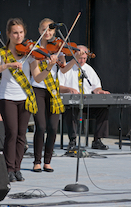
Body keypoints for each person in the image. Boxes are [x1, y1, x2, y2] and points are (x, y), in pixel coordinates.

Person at [0, 18, 57, 182]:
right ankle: (9, 169)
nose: (19, 36)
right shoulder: (3, 54)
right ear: (9, 34)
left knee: (21, 135)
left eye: (21, 32)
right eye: (15, 33)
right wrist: (8, 65)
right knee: (11, 133)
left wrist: (49, 67)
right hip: (7, 97)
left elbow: (38, 78)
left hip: (25, 98)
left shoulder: (30, 54)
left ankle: (17, 169)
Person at [31, 18, 67, 173]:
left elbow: (64, 69)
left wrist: (76, 58)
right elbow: (37, 75)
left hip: (53, 91)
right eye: (45, 29)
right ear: (39, 30)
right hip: (38, 89)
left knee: (53, 127)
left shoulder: (57, 48)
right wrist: (49, 64)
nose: (48, 32)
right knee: (41, 126)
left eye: (50, 29)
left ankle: (47, 161)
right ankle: (37, 161)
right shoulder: (35, 49)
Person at [58, 45, 110, 150]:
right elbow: (58, 87)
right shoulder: (66, 67)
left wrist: (99, 91)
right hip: (71, 103)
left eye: (84, 58)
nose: (82, 61)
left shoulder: (88, 69)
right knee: (71, 110)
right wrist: (69, 89)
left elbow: (96, 87)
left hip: (87, 103)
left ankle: (97, 140)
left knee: (103, 109)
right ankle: (72, 141)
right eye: (80, 58)